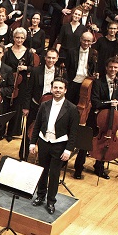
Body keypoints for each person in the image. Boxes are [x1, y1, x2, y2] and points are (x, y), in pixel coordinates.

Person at [28, 78, 77, 212]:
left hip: (59, 145)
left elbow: (73, 132)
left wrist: (68, 150)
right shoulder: (44, 105)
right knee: (42, 171)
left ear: (65, 90)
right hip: (44, 142)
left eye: (61, 88)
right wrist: (32, 143)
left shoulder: (72, 108)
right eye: (55, 87)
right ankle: (40, 196)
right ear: (51, 89)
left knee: (54, 174)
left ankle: (51, 201)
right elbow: (37, 125)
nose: (58, 90)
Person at [76, 61, 118, 180]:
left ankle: (99, 167)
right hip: (96, 118)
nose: (113, 69)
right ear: (106, 68)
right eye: (111, 67)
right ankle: (78, 168)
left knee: (106, 142)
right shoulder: (98, 83)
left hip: (111, 119)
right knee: (85, 143)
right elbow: (95, 101)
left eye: (115, 67)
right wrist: (110, 104)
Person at [22, 48, 61, 161]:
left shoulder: (60, 72)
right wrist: (26, 107)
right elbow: (29, 90)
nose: (51, 60)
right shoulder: (36, 71)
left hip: (51, 107)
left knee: (47, 132)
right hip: (35, 105)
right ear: (45, 58)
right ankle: (24, 155)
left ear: (57, 59)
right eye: (49, 57)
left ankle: (42, 157)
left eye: (53, 58)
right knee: (30, 130)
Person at [3, 27, 37, 139]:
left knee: (16, 107)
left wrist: (25, 67)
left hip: (21, 84)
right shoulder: (7, 51)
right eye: (17, 37)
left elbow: (33, 68)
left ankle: (11, 132)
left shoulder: (28, 53)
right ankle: (1, 131)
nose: (19, 40)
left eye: (22, 38)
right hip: (8, 81)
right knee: (5, 106)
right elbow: (3, 66)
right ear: (13, 38)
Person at [63, 30, 98, 105]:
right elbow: (67, 67)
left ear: (92, 42)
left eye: (89, 41)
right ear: (80, 39)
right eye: (84, 40)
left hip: (86, 82)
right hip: (73, 81)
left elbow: (94, 68)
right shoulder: (71, 52)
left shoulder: (94, 53)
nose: (86, 43)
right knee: (68, 103)